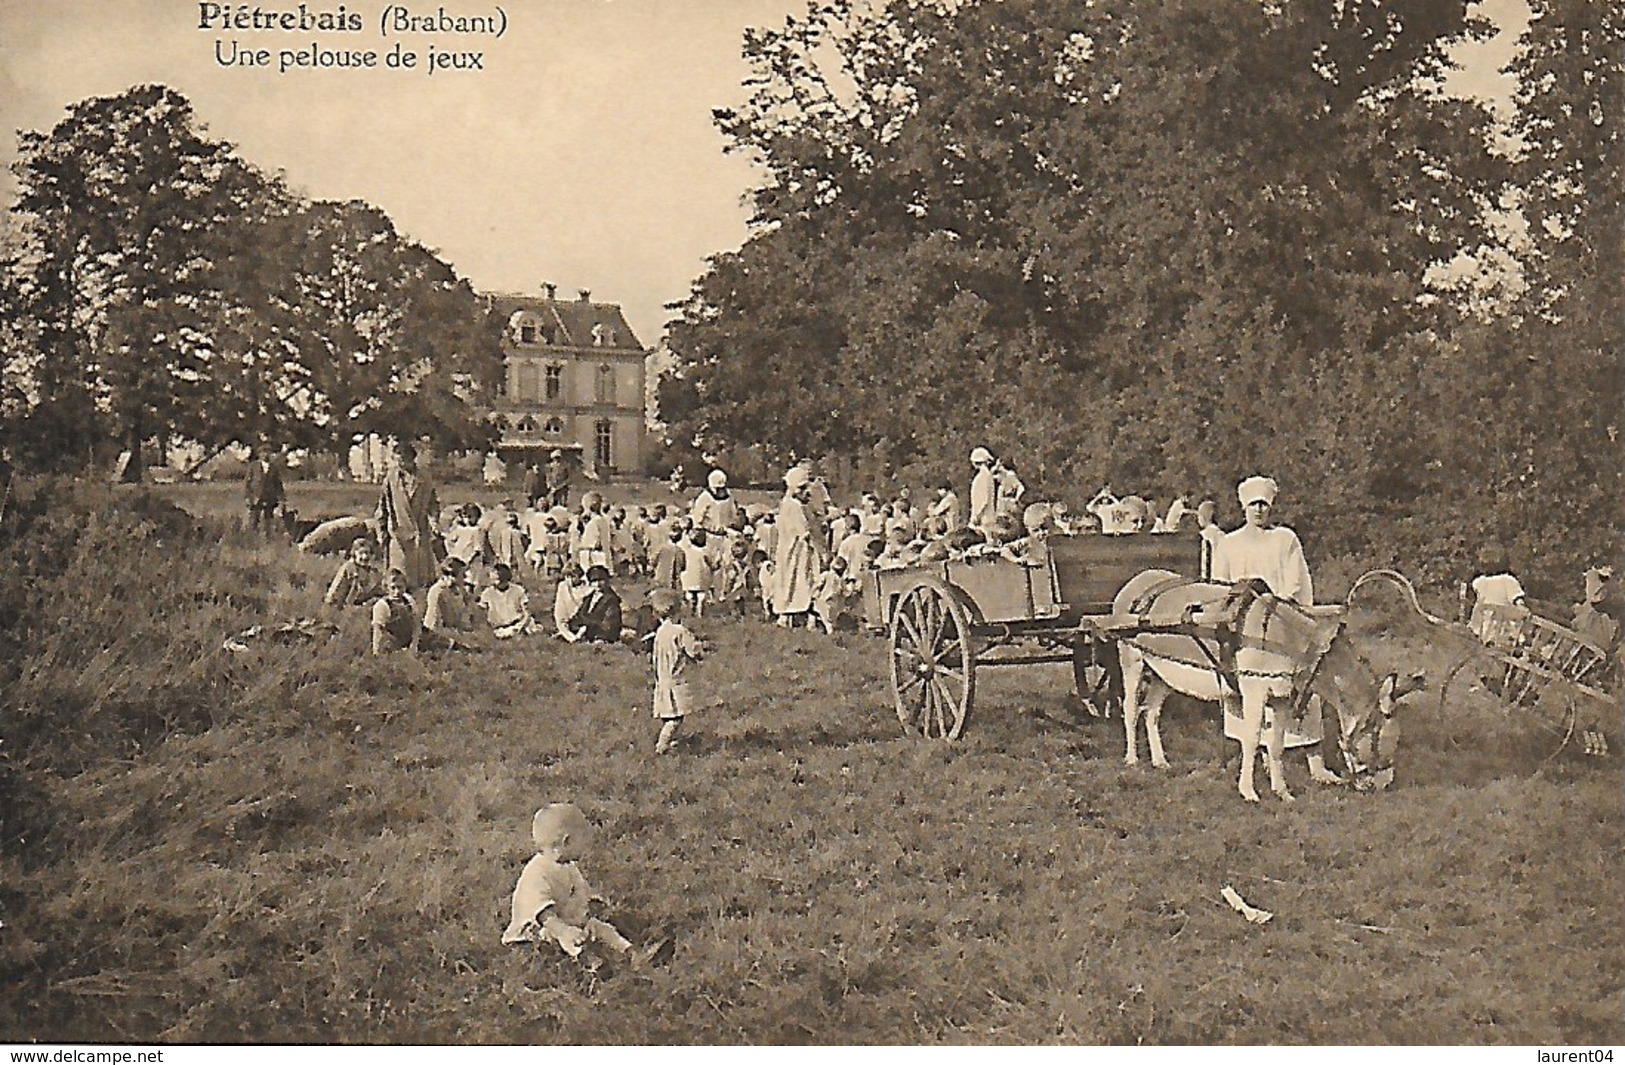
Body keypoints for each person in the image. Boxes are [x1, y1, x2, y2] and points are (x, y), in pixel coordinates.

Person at [1210, 476, 1337, 784]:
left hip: (1283, 621)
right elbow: (1219, 588)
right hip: (1244, 629)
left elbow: (1297, 582)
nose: (1258, 511)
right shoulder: (1228, 544)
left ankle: (1314, 760)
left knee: (1300, 683)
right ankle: (1257, 753)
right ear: (1243, 508)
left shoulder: (1284, 539)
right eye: (1253, 505)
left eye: (1264, 505)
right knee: (1247, 686)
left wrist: (1280, 606)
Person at [502, 803, 660, 967]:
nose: (587, 846)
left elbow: (580, 889)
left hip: (568, 920)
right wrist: (565, 931)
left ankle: (632, 954)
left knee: (601, 928)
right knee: (559, 938)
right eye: (583, 839)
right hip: (534, 934)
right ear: (567, 841)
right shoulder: (537, 874)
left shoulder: (567, 866)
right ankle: (592, 965)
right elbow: (543, 915)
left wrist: (593, 902)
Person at [649, 589, 708, 755]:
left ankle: (666, 741)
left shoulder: (660, 632)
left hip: (662, 679)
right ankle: (662, 745)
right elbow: (693, 651)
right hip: (675, 682)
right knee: (675, 718)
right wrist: (701, 649)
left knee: (670, 716)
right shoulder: (680, 631)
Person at [375, 444, 441, 589]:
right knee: (400, 579)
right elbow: (383, 507)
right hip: (399, 535)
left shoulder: (424, 478)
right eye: (398, 461)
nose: (401, 464)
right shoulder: (391, 479)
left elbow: (433, 504)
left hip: (420, 534)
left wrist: (434, 521)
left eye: (404, 461)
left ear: (412, 459)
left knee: (423, 580)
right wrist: (381, 532)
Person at [771, 465, 826, 628]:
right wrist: (820, 551)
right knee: (797, 579)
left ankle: (792, 614)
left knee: (792, 580)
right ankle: (791, 613)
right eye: (802, 488)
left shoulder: (789, 504)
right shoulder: (793, 506)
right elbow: (804, 531)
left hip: (791, 548)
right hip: (795, 550)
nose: (805, 492)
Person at [568, 564, 623, 643]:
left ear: (607, 581)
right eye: (594, 581)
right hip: (586, 631)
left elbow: (610, 624)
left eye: (601, 580)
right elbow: (579, 616)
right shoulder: (589, 598)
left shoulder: (611, 600)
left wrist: (587, 625)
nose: (597, 584)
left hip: (602, 635)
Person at [324, 537, 382, 610]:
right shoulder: (348, 569)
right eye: (361, 553)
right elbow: (335, 594)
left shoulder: (374, 572)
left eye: (367, 553)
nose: (365, 557)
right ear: (354, 554)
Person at [371, 569, 420, 654]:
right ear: (387, 588)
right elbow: (378, 633)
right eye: (393, 588)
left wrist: (414, 645)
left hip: (410, 644)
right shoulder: (382, 606)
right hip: (392, 648)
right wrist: (377, 653)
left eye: (399, 587)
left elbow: (416, 625)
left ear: (405, 586)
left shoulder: (409, 601)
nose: (396, 592)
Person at [244, 443, 286, 535]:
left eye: (268, 452)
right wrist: (247, 497)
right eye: (263, 452)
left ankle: (268, 539)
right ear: (259, 454)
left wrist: (281, 499)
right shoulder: (253, 466)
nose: (265, 455)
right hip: (256, 497)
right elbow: (247, 483)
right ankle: (251, 539)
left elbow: (278, 484)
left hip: (270, 498)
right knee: (253, 520)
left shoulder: (274, 468)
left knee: (268, 521)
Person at [690, 469, 739, 535]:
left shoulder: (729, 496)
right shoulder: (704, 498)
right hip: (708, 534)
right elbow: (697, 517)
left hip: (726, 533)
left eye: (723, 488)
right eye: (718, 488)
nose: (721, 491)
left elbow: (733, 514)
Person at [968, 447, 998, 534]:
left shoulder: (982, 477)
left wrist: (975, 517)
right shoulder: (987, 476)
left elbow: (982, 500)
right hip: (987, 517)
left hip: (983, 520)